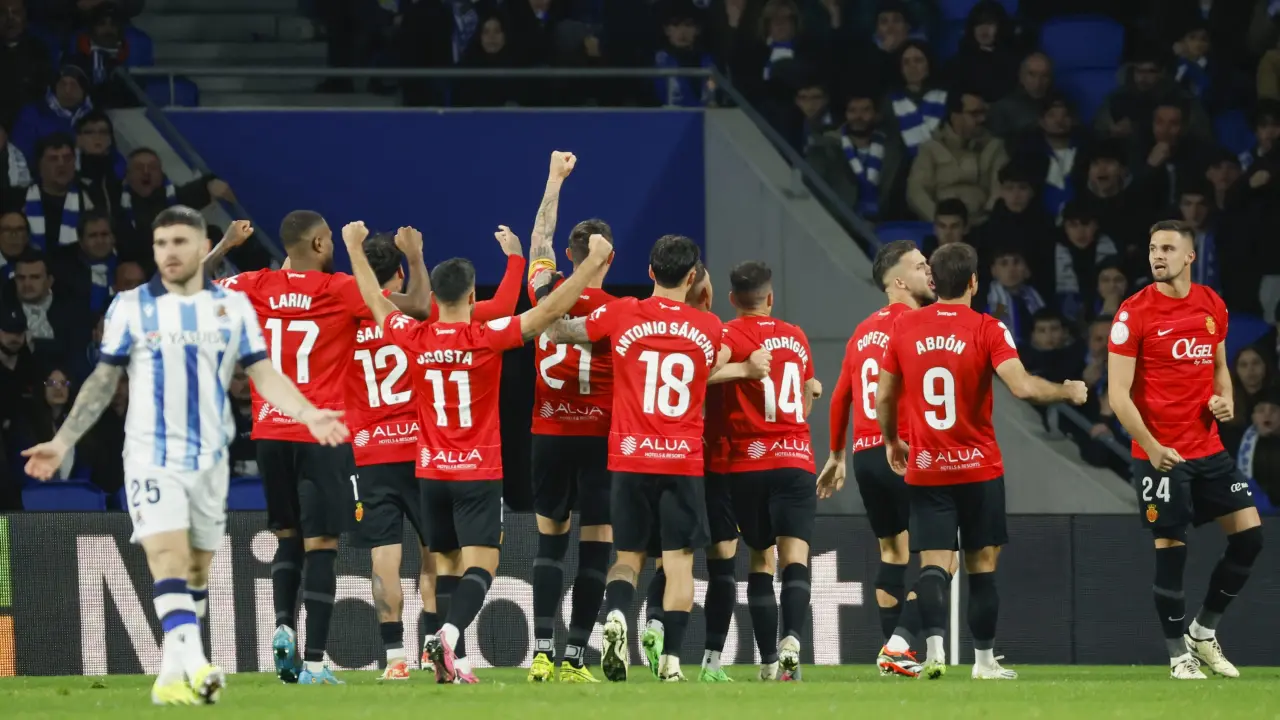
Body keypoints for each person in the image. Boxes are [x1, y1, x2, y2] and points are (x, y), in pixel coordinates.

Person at [21, 206, 348, 704]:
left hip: (209, 456)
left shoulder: (232, 304)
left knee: (194, 570)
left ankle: (173, 674)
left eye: (183, 243)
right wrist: (62, 440)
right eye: (164, 243)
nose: (173, 253)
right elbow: (103, 379)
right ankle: (194, 666)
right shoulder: (130, 307)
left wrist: (307, 413)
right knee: (169, 557)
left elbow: (263, 374)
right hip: (150, 454)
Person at [344, 220, 613, 684]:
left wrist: (352, 247)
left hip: (431, 474)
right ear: (472, 298)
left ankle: (455, 664)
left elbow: (373, 299)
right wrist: (590, 264)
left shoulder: (415, 335)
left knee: (447, 563)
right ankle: (447, 636)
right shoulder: (487, 337)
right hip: (477, 471)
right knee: (483, 565)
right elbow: (550, 310)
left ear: (435, 299)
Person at [204, 213, 430, 685]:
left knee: (287, 538)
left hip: (270, 431)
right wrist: (398, 255)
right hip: (321, 432)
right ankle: (312, 662)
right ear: (322, 243)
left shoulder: (255, 285)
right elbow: (416, 306)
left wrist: (224, 245)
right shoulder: (340, 289)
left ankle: (283, 624)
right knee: (322, 545)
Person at [544, 236, 768, 682]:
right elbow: (711, 369)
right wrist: (745, 367)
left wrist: (549, 292)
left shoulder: (622, 312)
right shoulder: (709, 327)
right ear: (692, 277)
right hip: (681, 462)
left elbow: (557, 330)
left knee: (627, 558)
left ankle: (615, 616)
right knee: (680, 564)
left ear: (649, 271)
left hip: (629, 458)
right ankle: (670, 664)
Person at [876, 241, 1087, 680]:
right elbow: (1023, 387)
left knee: (934, 566)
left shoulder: (904, 327)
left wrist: (892, 440)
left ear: (933, 281)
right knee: (982, 568)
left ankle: (927, 651)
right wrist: (1065, 390)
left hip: (927, 468)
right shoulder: (988, 327)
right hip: (978, 467)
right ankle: (984, 662)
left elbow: (884, 396)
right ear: (974, 282)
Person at [347, 225, 523, 682]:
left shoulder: (356, 317)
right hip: (427, 451)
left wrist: (351, 250)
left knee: (387, 558)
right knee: (441, 559)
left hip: (372, 451)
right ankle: (442, 647)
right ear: (400, 275)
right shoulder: (431, 319)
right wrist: (514, 258)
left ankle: (395, 658)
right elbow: (504, 307)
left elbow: (373, 299)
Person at [1106, 220, 1264, 679]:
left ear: (1190, 256)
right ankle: (1179, 656)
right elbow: (1118, 395)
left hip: (1207, 448)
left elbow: (1219, 367)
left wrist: (1225, 399)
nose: (1158, 256)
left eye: (1168, 248)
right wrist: (1151, 447)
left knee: (1250, 539)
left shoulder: (1212, 303)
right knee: (1172, 552)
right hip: (1161, 455)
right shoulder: (1133, 314)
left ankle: (1202, 632)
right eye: (1153, 248)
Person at [819, 239, 936, 677]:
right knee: (942, 556)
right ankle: (900, 644)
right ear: (899, 281)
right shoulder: (918, 324)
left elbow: (840, 398)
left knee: (893, 551)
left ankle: (893, 654)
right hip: (905, 450)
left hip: (866, 456)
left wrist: (836, 455)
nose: (929, 271)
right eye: (920, 266)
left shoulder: (862, 331)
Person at [523, 152, 618, 684]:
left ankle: (540, 651)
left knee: (549, 542)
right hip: (599, 438)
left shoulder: (544, 293)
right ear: (609, 257)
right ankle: (576, 656)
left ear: (569, 255)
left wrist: (553, 179)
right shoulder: (618, 311)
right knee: (595, 546)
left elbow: (539, 240)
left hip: (549, 433)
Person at [703, 261, 821, 683]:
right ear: (770, 297)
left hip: (747, 461)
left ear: (732, 299)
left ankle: (770, 660)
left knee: (760, 558)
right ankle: (792, 642)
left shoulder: (728, 335)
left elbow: (704, 373)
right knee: (795, 557)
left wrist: (740, 371)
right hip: (795, 459)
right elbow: (804, 402)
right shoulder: (796, 336)